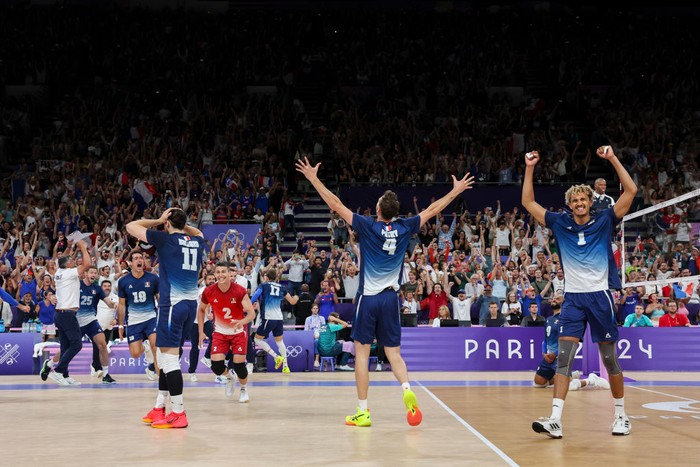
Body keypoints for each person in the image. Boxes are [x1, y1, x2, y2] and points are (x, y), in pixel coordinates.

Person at [296, 155, 474, 427]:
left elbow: (335, 203)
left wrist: (313, 178)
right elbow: (434, 208)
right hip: (392, 298)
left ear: (379, 210)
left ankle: (363, 411)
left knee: (362, 353)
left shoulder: (368, 226)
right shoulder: (405, 226)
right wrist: (456, 190)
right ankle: (406, 390)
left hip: (368, 298)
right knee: (394, 354)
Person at [523, 146, 637, 438]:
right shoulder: (559, 223)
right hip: (573, 299)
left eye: (583, 199)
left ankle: (622, 417)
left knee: (610, 360)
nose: (579, 203)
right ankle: (555, 419)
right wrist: (530, 167)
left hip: (599, 297)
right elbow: (527, 201)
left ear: (590, 202)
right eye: (574, 200)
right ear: (570, 205)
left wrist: (612, 158)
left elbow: (631, 190)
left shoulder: (605, 220)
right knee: (564, 359)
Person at [127, 207, 207, 429]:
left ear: (167, 224)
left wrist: (159, 220)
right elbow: (197, 233)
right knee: (163, 358)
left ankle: (179, 412)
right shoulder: (197, 241)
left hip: (172, 306)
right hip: (189, 305)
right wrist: (179, 223)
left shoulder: (164, 240)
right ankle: (159, 406)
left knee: (169, 360)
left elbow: (131, 226)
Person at [198, 262, 255, 403]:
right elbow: (201, 310)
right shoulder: (209, 291)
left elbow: (251, 313)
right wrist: (200, 332)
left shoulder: (240, 290)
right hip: (220, 332)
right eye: (218, 272)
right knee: (216, 366)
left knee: (239, 365)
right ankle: (230, 377)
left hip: (238, 332)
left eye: (224, 271)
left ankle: (243, 389)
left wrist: (242, 321)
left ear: (230, 274)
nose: (220, 275)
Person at [533, 292, 610, 391]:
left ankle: (591, 380)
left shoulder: (566, 319)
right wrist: (544, 353)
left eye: (557, 298)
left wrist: (555, 354)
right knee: (538, 383)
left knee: (568, 387)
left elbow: (573, 342)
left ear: (564, 303)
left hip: (560, 357)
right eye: (553, 298)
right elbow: (545, 339)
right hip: (548, 358)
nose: (554, 299)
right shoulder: (549, 319)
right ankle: (571, 377)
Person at [44, 239, 92, 386]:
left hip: (60, 314)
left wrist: (70, 246)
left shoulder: (59, 272)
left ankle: (64, 375)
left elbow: (61, 260)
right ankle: (58, 371)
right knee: (77, 344)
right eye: (71, 260)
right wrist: (83, 247)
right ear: (67, 265)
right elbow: (87, 264)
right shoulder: (70, 272)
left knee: (65, 346)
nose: (74, 260)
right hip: (66, 314)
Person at [117, 250, 160, 381]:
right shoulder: (123, 281)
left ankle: (161, 378)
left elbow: (160, 299)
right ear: (130, 263)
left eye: (141, 258)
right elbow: (121, 305)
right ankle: (145, 347)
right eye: (136, 258)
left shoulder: (153, 278)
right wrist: (120, 325)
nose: (139, 260)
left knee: (156, 347)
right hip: (134, 320)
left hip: (151, 318)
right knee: (135, 354)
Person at [250, 269, 299, 373]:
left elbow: (256, 295)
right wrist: (297, 297)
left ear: (266, 277)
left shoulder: (264, 285)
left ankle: (276, 357)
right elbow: (292, 301)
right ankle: (285, 367)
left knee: (257, 339)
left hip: (268, 317)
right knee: (280, 342)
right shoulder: (282, 287)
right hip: (279, 318)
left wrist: (249, 304)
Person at [77, 266, 118, 384]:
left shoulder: (97, 288)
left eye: (95, 273)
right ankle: (57, 368)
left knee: (103, 345)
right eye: (91, 272)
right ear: (85, 273)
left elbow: (108, 302)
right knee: (72, 347)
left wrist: (113, 304)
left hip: (91, 320)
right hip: (77, 322)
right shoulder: (77, 285)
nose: (93, 275)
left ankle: (105, 374)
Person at [304, 303, 325, 368]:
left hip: (320, 336)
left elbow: (323, 330)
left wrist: (319, 336)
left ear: (318, 309)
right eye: (314, 308)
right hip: (311, 336)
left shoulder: (322, 318)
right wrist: (311, 336)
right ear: (311, 309)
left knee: (317, 341)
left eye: (316, 308)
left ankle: (316, 360)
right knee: (314, 341)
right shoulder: (308, 319)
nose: (315, 310)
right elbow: (306, 330)